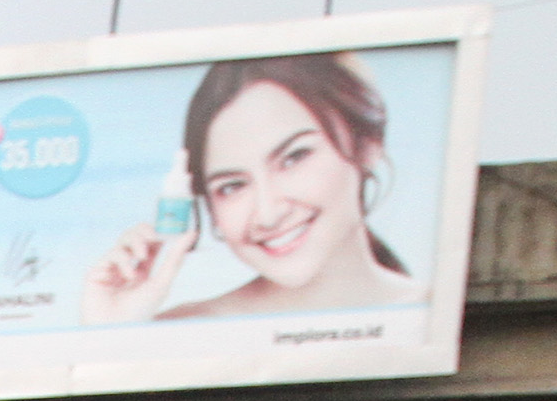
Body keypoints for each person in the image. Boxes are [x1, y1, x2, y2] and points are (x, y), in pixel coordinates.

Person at [83, 52, 425, 326]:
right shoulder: (181, 333)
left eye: (294, 157)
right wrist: (110, 330)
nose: (268, 213)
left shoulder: (433, 316)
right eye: (232, 186)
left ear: (366, 145)